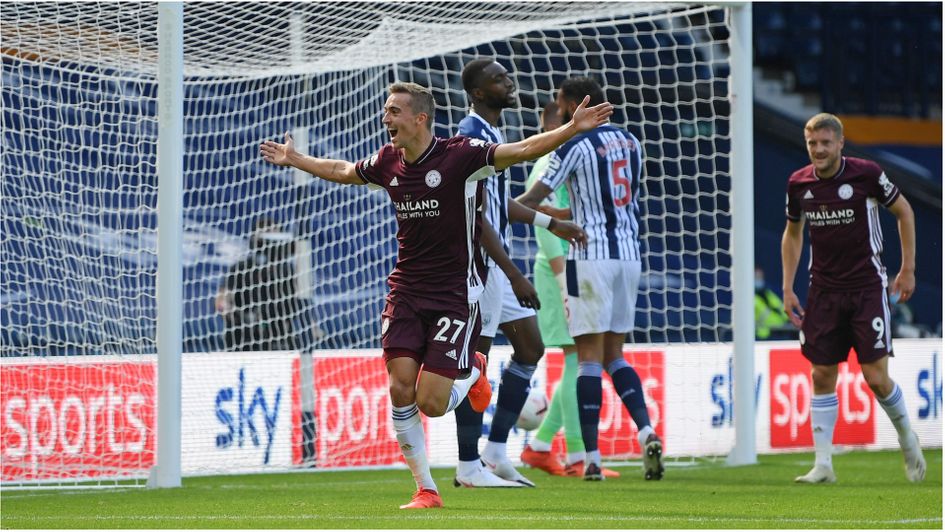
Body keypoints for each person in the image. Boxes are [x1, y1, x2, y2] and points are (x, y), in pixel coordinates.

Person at [260, 82, 613, 508]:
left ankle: (475, 370)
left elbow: (522, 150)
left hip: (453, 296)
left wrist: (570, 129)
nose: (385, 119)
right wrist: (295, 158)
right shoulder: (389, 161)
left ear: (419, 119)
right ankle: (426, 489)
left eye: (393, 112)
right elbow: (342, 170)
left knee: (431, 402)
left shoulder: (460, 154)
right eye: (386, 111)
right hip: (405, 292)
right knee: (400, 389)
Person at [452, 59, 589, 489]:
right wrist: (513, 274)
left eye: (508, 76)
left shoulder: (491, 134)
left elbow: (500, 203)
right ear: (477, 92)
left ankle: (495, 452)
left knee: (530, 347)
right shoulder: (470, 135)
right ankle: (468, 465)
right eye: (498, 79)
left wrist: (551, 222)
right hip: (482, 266)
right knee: (473, 363)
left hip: (499, 263)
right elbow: (476, 218)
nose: (508, 82)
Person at [518, 76, 663, 482]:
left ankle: (592, 458)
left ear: (567, 103)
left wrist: (507, 209)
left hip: (588, 254)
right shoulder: (632, 142)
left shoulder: (574, 145)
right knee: (616, 355)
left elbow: (531, 201)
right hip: (629, 255)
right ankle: (647, 430)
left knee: (586, 361)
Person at [781, 112, 925, 484]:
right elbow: (792, 233)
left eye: (826, 143)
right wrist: (786, 286)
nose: (818, 150)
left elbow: (905, 211)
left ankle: (908, 439)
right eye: (812, 143)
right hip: (823, 291)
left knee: (876, 378)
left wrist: (907, 269)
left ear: (840, 143)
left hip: (866, 289)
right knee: (821, 373)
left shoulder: (866, 174)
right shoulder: (798, 183)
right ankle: (823, 464)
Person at [518, 101, 620, 478]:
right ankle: (574, 456)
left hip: (571, 270)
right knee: (580, 358)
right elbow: (542, 227)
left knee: (579, 357)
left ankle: (544, 447)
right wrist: (563, 283)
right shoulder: (548, 165)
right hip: (557, 272)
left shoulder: (564, 161)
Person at [216, 217, 310, 351]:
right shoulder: (241, 268)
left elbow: (301, 303)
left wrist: (312, 327)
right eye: (266, 233)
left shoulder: (286, 271)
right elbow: (221, 301)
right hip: (244, 338)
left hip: (280, 337)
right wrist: (231, 311)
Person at [754, 266, 790, 340]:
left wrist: (790, 320)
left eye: (760, 277)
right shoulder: (747, 298)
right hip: (762, 336)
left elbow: (782, 308)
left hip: (781, 331)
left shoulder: (768, 293)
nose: (759, 279)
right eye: (756, 277)